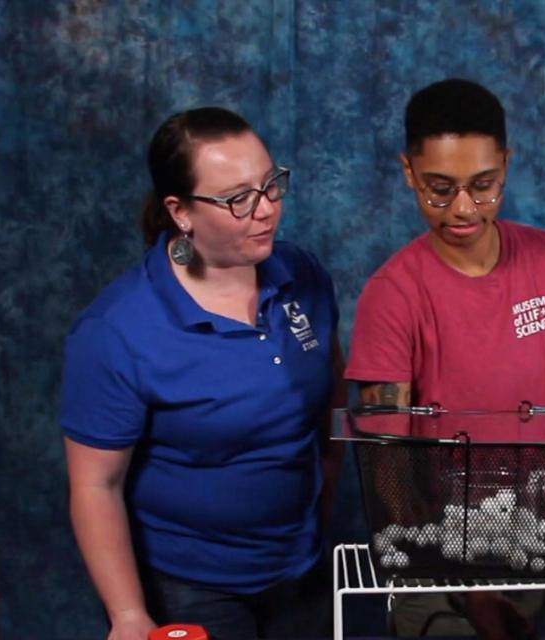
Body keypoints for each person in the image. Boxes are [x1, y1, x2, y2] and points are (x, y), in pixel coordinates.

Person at [345, 78, 545, 639]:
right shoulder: (393, 293)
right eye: (439, 189)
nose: (463, 209)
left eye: (483, 186)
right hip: (437, 547)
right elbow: (388, 461)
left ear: (506, 165)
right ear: (409, 172)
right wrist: (470, 588)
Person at [60, 107, 342, 640]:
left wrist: (321, 509)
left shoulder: (302, 275)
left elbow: (331, 399)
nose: (266, 211)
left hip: (300, 568)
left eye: (271, 185)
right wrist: (127, 615)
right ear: (181, 211)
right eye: (238, 198)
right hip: (189, 587)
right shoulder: (117, 330)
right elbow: (96, 484)